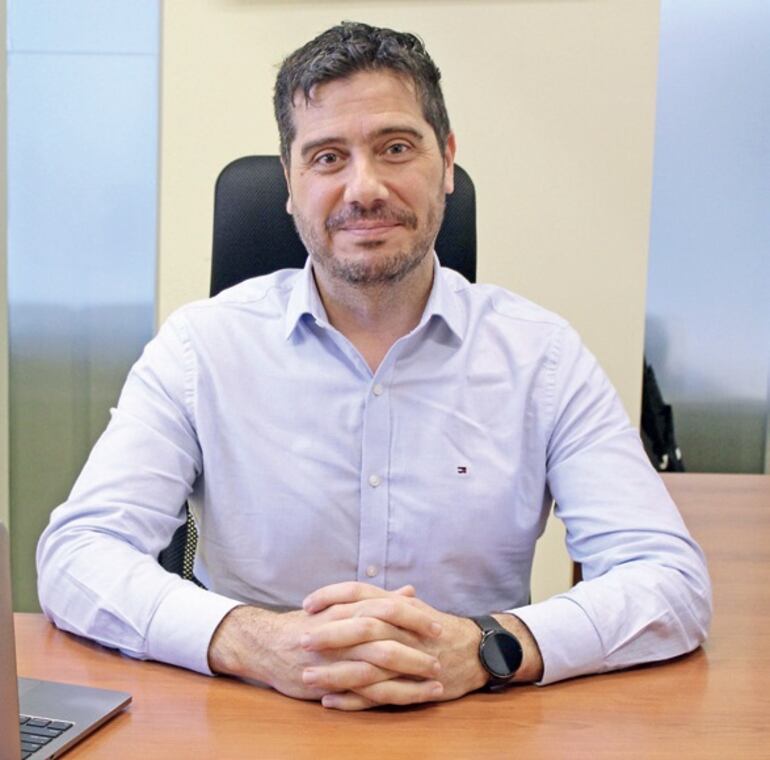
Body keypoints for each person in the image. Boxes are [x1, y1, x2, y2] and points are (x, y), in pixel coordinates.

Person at [36, 21, 711, 711]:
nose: (364, 188)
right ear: (291, 182)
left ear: (447, 162)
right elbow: (78, 554)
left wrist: (488, 646)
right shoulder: (199, 349)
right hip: (252, 719)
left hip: (473, 723)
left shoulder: (542, 358)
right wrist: (252, 640)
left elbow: (670, 581)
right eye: (328, 157)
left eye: (395, 148)